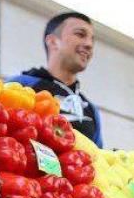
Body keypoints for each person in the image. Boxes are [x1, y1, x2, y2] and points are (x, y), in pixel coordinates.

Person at [7, 11, 102, 148]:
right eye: (80, 34)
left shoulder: (91, 110)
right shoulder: (20, 85)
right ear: (52, 41)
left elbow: (99, 160)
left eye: (92, 39)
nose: (89, 44)